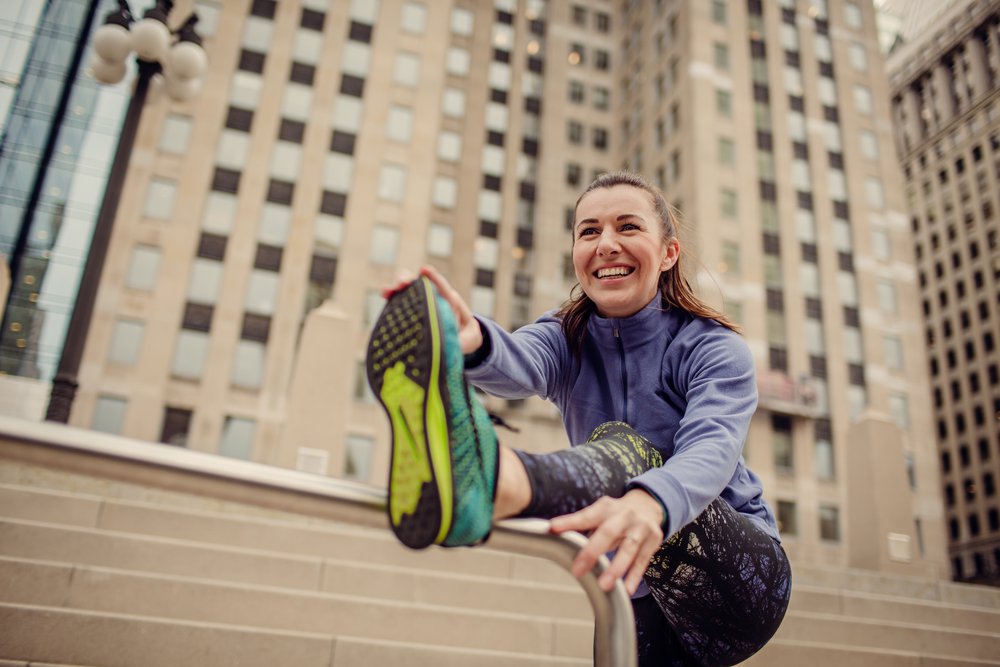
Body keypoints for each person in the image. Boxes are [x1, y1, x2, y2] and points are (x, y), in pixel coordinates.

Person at [366, 171, 791, 666]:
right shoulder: (566, 335)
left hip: (740, 581)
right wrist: (473, 340)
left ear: (669, 253)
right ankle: (481, 472)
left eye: (627, 227)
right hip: (631, 584)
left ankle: (490, 477)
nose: (606, 243)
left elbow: (711, 448)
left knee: (626, 447)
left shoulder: (713, 348)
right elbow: (522, 362)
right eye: (589, 232)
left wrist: (650, 503)